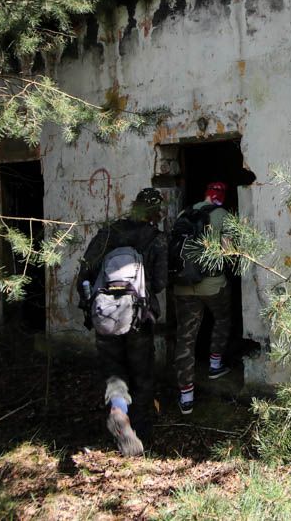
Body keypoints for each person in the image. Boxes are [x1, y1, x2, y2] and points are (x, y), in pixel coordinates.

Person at [76, 188, 167, 456]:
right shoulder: (156, 239)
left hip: (105, 315)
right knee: (142, 374)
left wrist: (91, 306)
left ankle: (118, 409)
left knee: (114, 370)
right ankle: (140, 434)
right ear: (155, 212)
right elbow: (160, 283)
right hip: (139, 317)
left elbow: (86, 270)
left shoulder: (108, 233)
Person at [173, 181, 233, 415]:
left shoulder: (184, 213)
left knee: (185, 337)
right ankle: (215, 365)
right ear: (221, 197)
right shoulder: (222, 215)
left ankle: (186, 395)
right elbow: (227, 251)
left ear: (205, 195)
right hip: (213, 285)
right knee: (223, 318)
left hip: (183, 286)